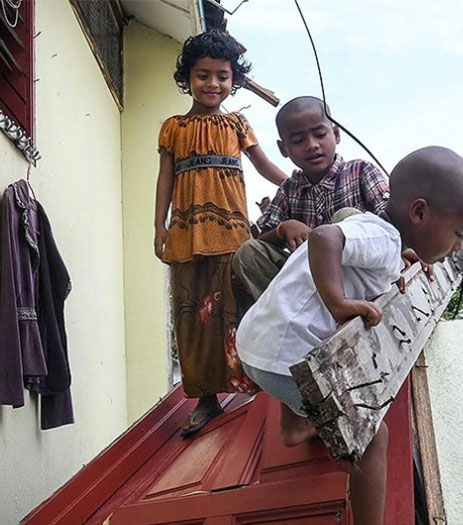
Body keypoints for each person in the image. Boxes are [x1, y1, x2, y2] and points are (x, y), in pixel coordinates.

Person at [236, 146, 463, 525]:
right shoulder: (381, 238)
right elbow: (324, 237)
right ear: (419, 213)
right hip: (281, 360)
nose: (459, 246)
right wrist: (338, 303)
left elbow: (365, 258)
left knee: (307, 373)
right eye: (459, 233)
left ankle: (294, 426)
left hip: (260, 345)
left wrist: (394, 263)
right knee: (374, 438)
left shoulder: (384, 239)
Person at [154, 30, 287, 438]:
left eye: (222, 76)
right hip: (186, 234)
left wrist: (304, 186)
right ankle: (206, 400)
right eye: (203, 75)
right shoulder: (172, 128)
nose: (213, 84)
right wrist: (157, 226)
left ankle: (257, 386)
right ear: (187, 78)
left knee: (237, 310)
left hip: (231, 233)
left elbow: (265, 167)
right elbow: (164, 179)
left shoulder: (237, 123)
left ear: (234, 81)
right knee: (193, 317)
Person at [232, 96, 389, 301]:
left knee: (347, 217)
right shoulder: (289, 190)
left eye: (320, 134)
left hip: (361, 280)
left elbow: (389, 224)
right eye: (298, 140)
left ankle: (347, 302)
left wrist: (406, 253)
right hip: (310, 286)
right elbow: (262, 239)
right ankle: (296, 313)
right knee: (248, 253)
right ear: (283, 149)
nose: (312, 145)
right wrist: (283, 229)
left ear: (336, 134)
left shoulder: (360, 171)